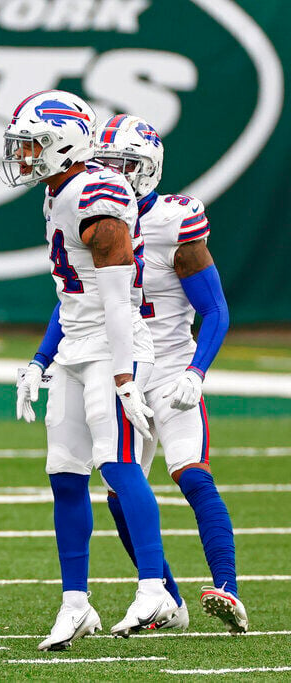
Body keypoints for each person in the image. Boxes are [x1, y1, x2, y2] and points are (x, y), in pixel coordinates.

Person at [0, 89, 178, 650]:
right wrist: (39, 360)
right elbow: (71, 293)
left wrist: (124, 374)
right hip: (77, 344)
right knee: (64, 473)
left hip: (115, 347)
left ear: (64, 142)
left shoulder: (97, 192)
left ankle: (153, 590)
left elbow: (119, 302)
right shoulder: (60, 190)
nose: (21, 156)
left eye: (32, 145)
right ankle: (76, 603)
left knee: (118, 468)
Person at [92, 114, 245, 633]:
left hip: (171, 369)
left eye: (125, 165)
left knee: (192, 475)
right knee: (118, 492)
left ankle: (227, 588)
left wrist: (197, 372)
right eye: (107, 163)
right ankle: (169, 603)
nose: (114, 174)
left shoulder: (173, 222)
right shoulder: (89, 212)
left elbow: (217, 310)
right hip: (122, 370)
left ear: (149, 168)